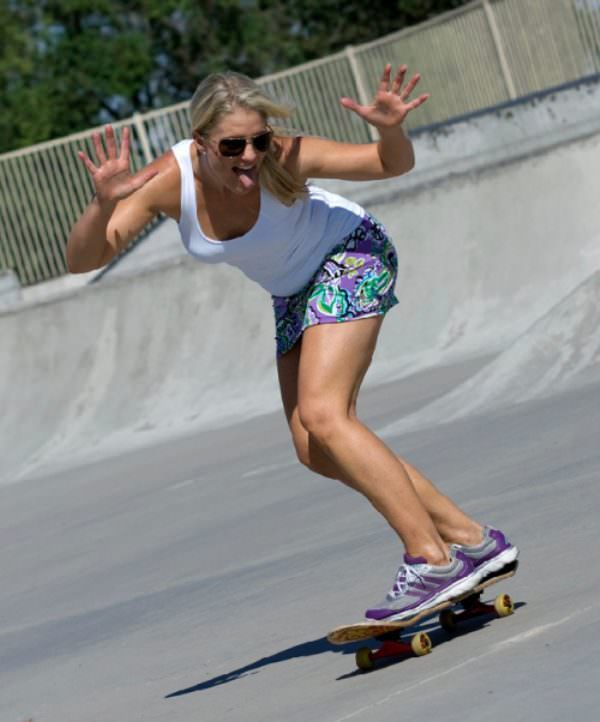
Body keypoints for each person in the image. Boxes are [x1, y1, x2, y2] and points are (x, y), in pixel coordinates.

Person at [67, 65, 518, 621]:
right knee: (316, 448)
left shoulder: (284, 155)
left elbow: (387, 164)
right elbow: (83, 260)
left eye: (258, 140)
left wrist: (391, 131)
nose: (251, 156)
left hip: (349, 255)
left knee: (327, 416)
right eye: (233, 145)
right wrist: (102, 205)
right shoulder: (169, 181)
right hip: (292, 294)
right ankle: (472, 541)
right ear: (202, 142)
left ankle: (431, 560)